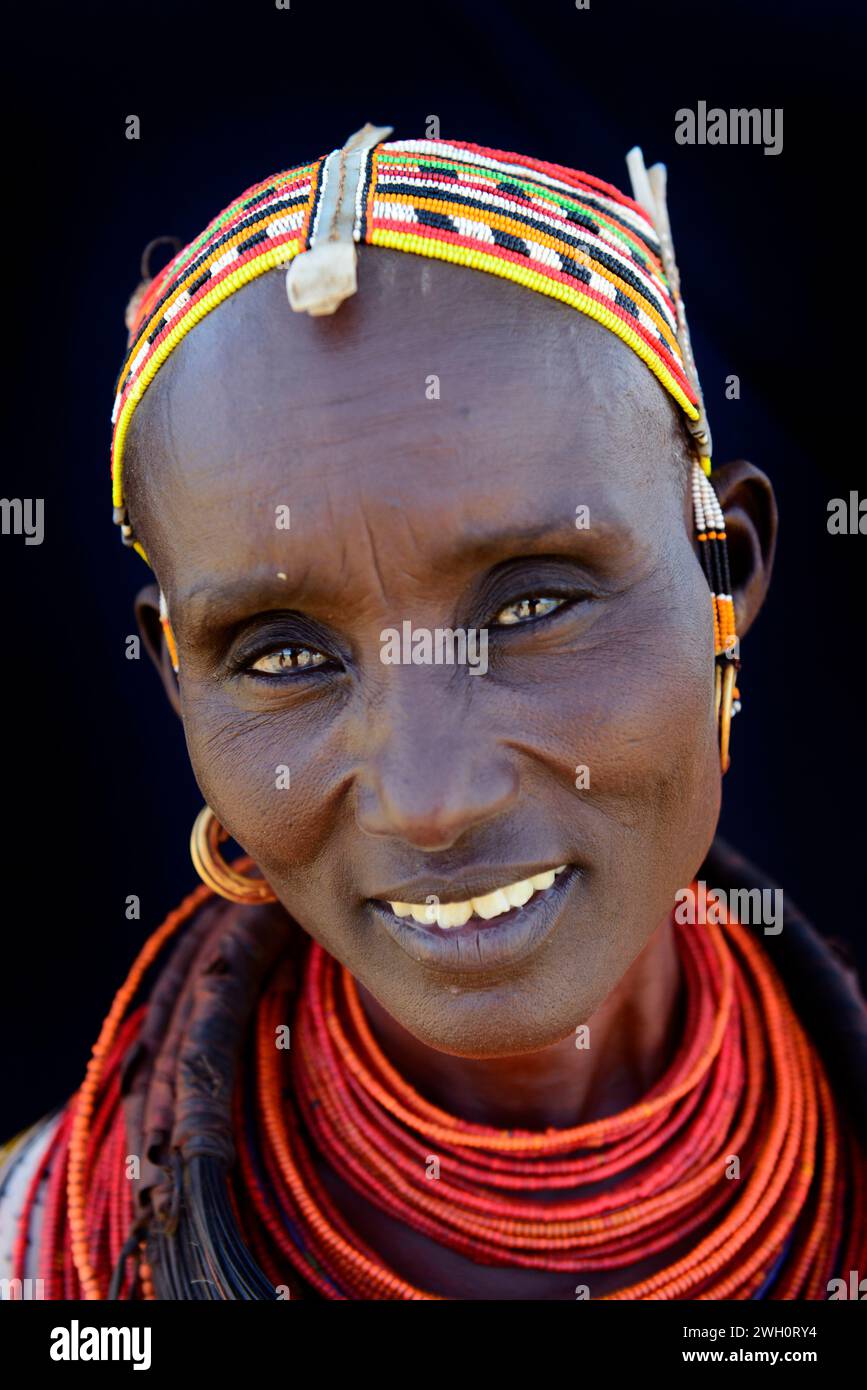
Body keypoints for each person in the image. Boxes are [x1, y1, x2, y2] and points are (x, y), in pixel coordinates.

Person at [2, 125, 865, 1301]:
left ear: (727, 571)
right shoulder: (42, 1252)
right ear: (171, 678)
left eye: (537, 604)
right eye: (282, 653)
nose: (431, 801)